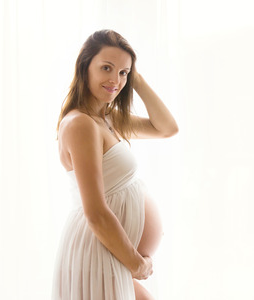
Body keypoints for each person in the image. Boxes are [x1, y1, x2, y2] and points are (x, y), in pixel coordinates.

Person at [52, 29, 178, 300]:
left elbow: (167, 128)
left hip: (109, 256)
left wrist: (138, 81)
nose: (115, 80)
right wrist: (136, 263)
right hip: (98, 253)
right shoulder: (81, 124)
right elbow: (95, 212)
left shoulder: (107, 119)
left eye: (123, 73)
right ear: (85, 68)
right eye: (106, 68)